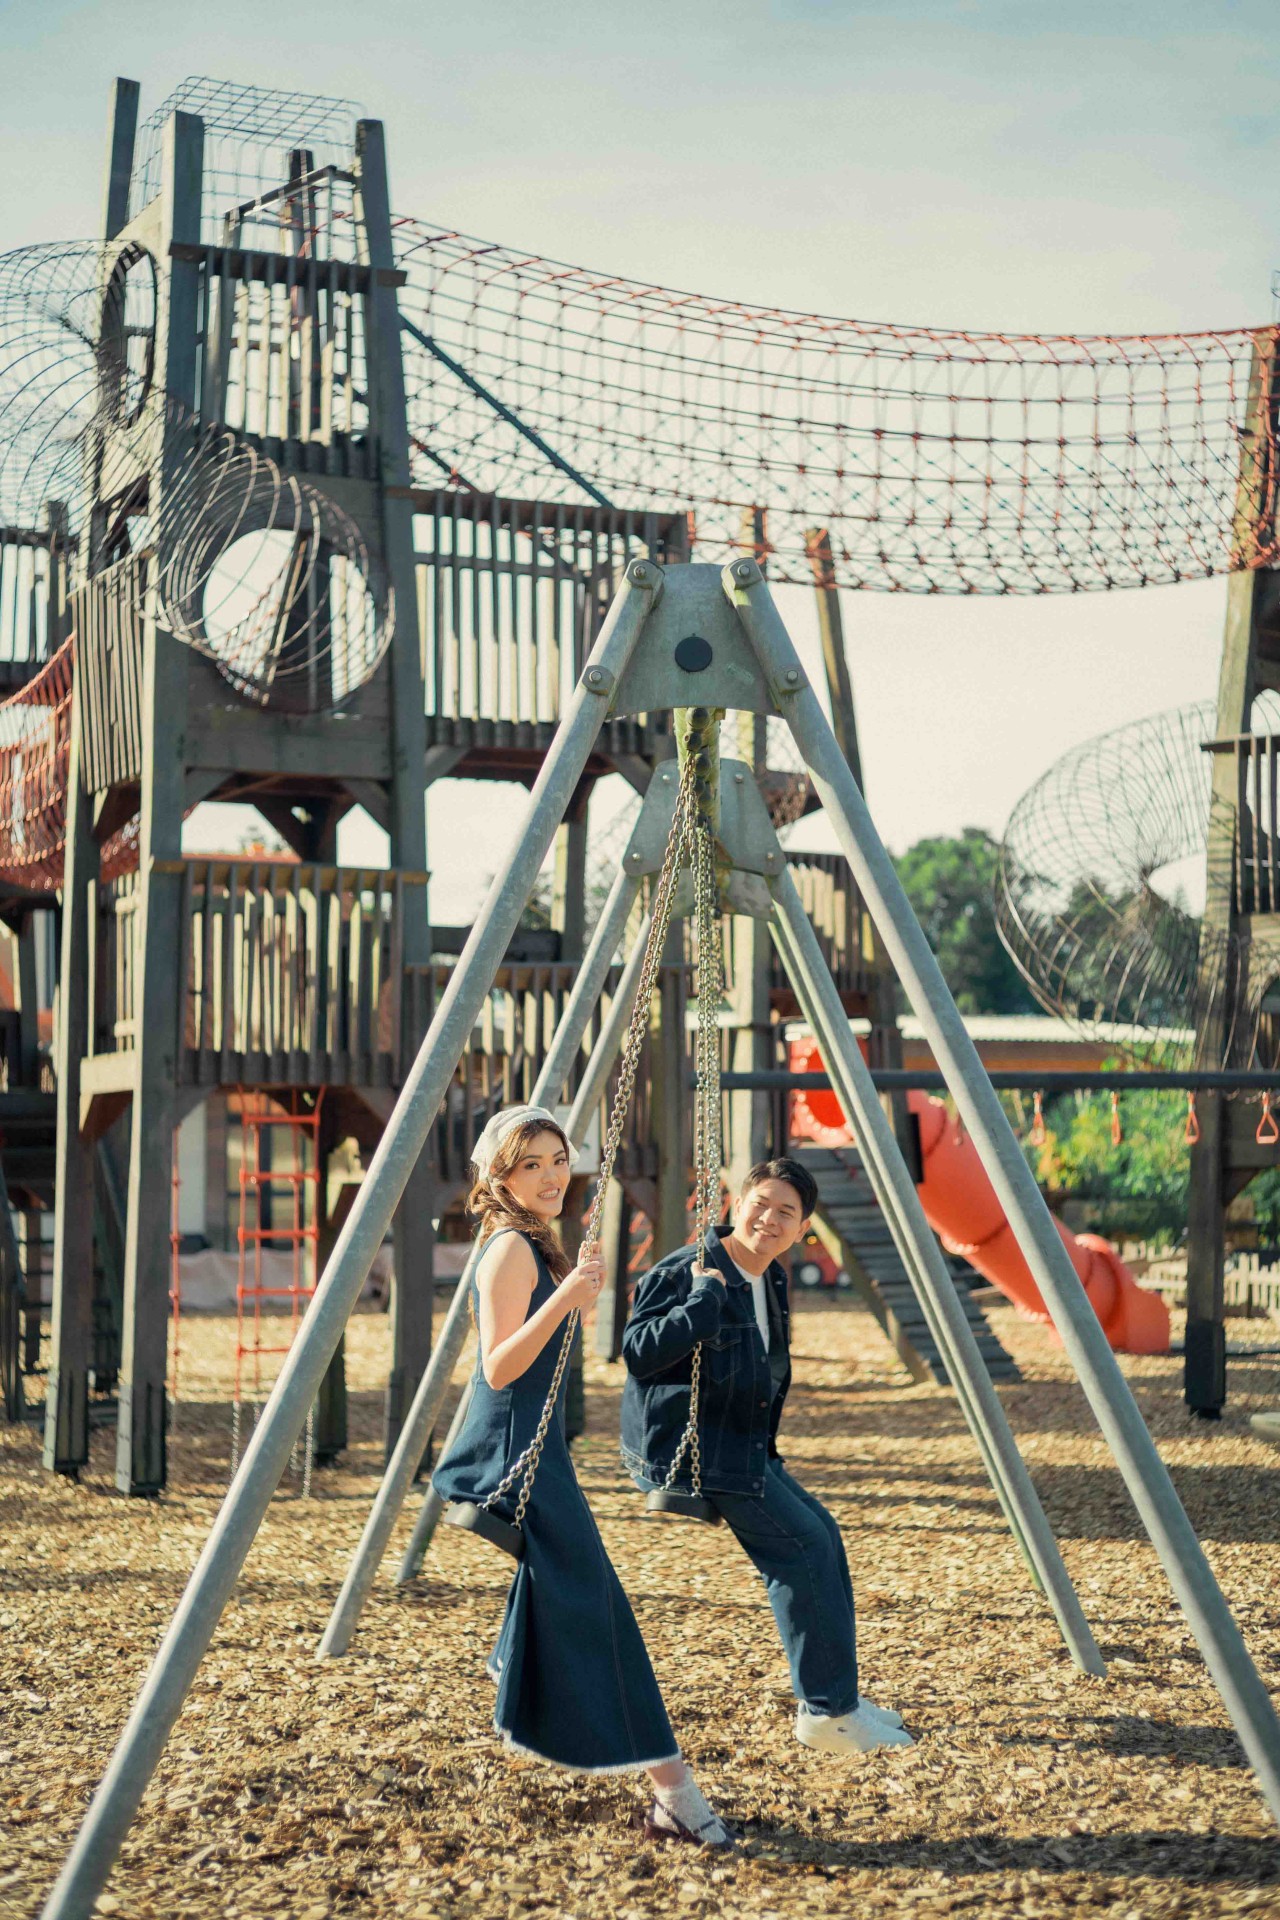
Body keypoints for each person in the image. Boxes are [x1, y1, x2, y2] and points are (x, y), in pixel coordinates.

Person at [432, 1104, 732, 1845]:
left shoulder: (537, 1241)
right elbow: (498, 1368)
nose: (550, 1176)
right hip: (514, 1453)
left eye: (558, 1160)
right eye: (530, 1165)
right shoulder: (509, 1248)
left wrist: (570, 1291)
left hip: (538, 1452)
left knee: (581, 1597)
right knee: (601, 1611)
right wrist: (567, 1299)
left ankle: (516, 1670)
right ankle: (676, 1795)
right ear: (499, 1177)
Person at [621, 1156, 914, 1761]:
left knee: (823, 1536)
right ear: (738, 1201)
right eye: (761, 1204)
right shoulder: (688, 1272)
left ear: (803, 1229)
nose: (769, 1219)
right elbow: (638, 1352)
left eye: (787, 1212)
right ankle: (827, 1714)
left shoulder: (771, 1277)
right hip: (701, 1452)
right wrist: (700, 1306)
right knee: (801, 1550)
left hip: (748, 1443)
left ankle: (841, 1700)